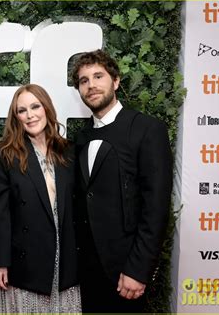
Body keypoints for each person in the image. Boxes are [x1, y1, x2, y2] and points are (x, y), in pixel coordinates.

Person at [71, 50, 173, 313]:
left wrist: (138, 270)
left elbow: (156, 208)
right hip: (88, 273)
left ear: (115, 81)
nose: (91, 85)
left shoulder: (148, 129)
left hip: (126, 273)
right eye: (83, 81)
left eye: (98, 76)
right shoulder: (80, 138)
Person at [0, 84, 81, 313]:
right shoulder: (6, 153)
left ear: (46, 108)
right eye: (22, 110)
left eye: (35, 106)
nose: (30, 115)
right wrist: (0, 261)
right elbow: (1, 211)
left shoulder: (68, 150)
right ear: (16, 117)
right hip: (26, 261)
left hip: (66, 256)